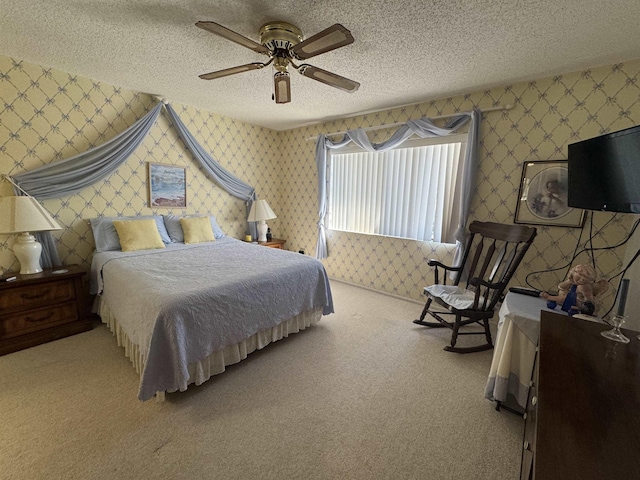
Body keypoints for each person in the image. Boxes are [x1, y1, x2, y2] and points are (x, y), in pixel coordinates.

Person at [540, 264, 608, 315]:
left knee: (566, 297)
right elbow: (561, 287)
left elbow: (588, 298)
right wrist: (569, 281)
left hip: (580, 303)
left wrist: (586, 308)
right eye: (579, 277)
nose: (581, 280)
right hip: (572, 299)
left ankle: (550, 297)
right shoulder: (573, 282)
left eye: (584, 279)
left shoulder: (584, 287)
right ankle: (555, 299)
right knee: (563, 293)